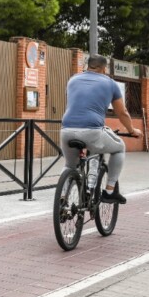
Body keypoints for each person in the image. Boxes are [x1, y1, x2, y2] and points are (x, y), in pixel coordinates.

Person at [61, 55, 141, 204]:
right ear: (104, 68)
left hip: (66, 130)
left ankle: (62, 197)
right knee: (119, 148)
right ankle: (109, 191)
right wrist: (131, 130)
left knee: (69, 165)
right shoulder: (110, 83)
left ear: (88, 65)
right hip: (92, 131)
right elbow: (122, 112)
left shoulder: (73, 80)